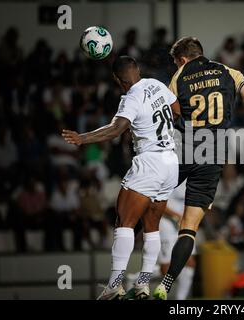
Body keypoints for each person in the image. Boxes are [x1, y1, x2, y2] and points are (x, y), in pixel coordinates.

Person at [62, 56, 180, 300]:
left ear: (117, 79)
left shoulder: (132, 97)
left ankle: (115, 285)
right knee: (152, 228)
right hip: (170, 161)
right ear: (137, 69)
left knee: (125, 223)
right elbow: (177, 110)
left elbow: (116, 129)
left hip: (149, 161)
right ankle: (143, 284)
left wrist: (82, 138)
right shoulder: (157, 84)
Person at [152, 37, 244, 300]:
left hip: (183, 150)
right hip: (213, 156)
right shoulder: (230, 73)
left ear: (182, 60)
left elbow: (170, 113)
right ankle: (165, 284)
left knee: (148, 196)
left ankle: (140, 274)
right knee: (189, 229)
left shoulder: (180, 75)